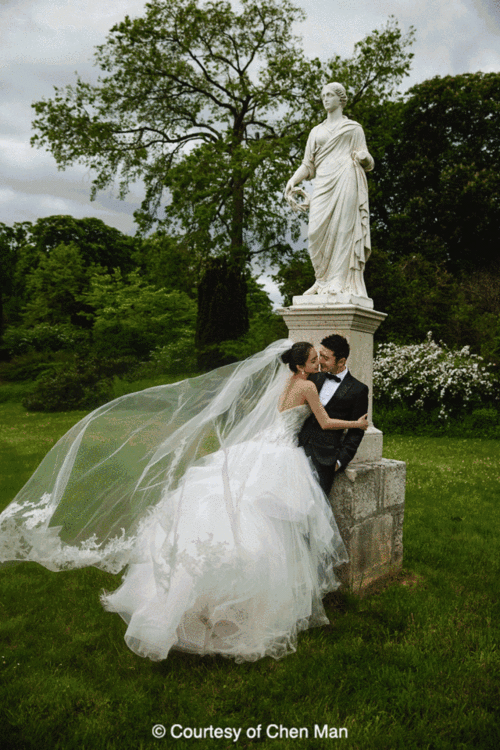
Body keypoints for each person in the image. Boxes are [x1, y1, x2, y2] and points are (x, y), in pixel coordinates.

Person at [0, 340, 366, 663]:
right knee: (266, 526)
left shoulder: (284, 383)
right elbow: (324, 420)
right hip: (281, 455)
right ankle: (244, 613)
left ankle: (192, 605)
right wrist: (359, 424)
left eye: (323, 359)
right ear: (301, 365)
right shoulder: (307, 387)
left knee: (230, 510)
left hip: (260, 448)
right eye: (315, 360)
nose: (320, 364)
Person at [285, 82, 374, 299]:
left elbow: (368, 160)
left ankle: (339, 280)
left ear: (340, 99)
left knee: (344, 229)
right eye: (323, 95)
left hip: (346, 178)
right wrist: (292, 180)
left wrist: (363, 158)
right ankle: (321, 279)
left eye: (330, 95)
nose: (325, 99)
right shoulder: (316, 131)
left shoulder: (353, 128)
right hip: (323, 183)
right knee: (315, 232)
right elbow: (308, 164)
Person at [299, 334, 369, 496]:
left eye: (325, 357)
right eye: (319, 355)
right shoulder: (313, 377)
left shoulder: (358, 390)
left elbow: (356, 432)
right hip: (299, 450)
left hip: (326, 459)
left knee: (315, 509)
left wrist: (338, 462)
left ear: (342, 361)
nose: (320, 361)